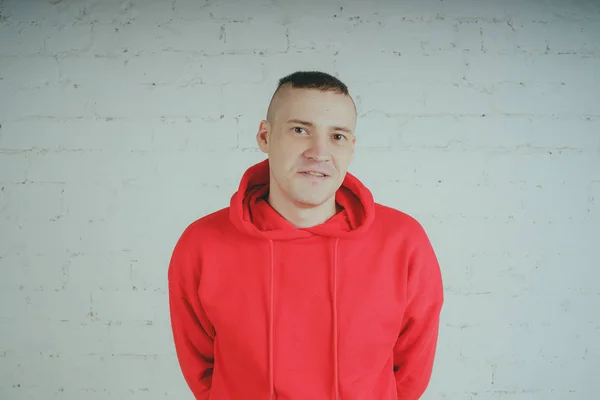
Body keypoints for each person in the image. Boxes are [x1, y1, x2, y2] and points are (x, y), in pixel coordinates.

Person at [168, 71, 444, 400]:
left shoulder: (403, 242)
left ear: (352, 147)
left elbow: (411, 373)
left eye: (337, 136)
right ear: (264, 136)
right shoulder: (202, 243)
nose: (319, 152)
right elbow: (201, 369)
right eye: (300, 130)